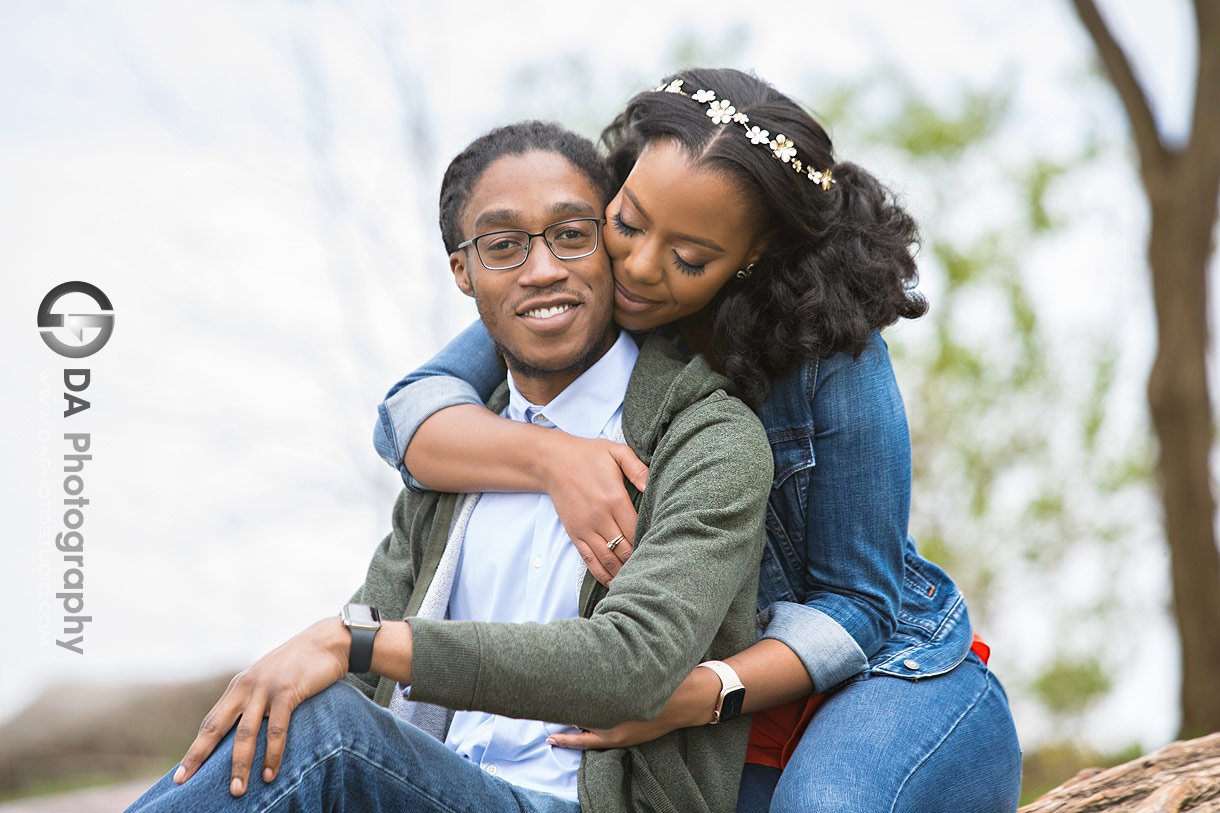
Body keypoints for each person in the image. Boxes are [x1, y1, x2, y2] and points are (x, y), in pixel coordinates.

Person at [373, 68, 1023, 812]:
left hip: (877, 676)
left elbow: (858, 605)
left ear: (751, 252)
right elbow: (411, 416)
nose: (639, 268)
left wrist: (701, 692)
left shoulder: (829, 350)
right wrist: (555, 459)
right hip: (710, 713)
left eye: (689, 259)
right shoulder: (574, 280)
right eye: (629, 222)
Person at [126, 120, 773, 813]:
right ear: (463, 272)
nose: (543, 268)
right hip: (431, 783)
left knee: (328, 733)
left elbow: (633, 663)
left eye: (571, 234)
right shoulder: (461, 450)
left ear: (608, 246)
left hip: (586, 803)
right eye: (503, 246)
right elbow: (377, 619)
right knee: (292, 714)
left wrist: (360, 642)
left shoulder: (708, 437)